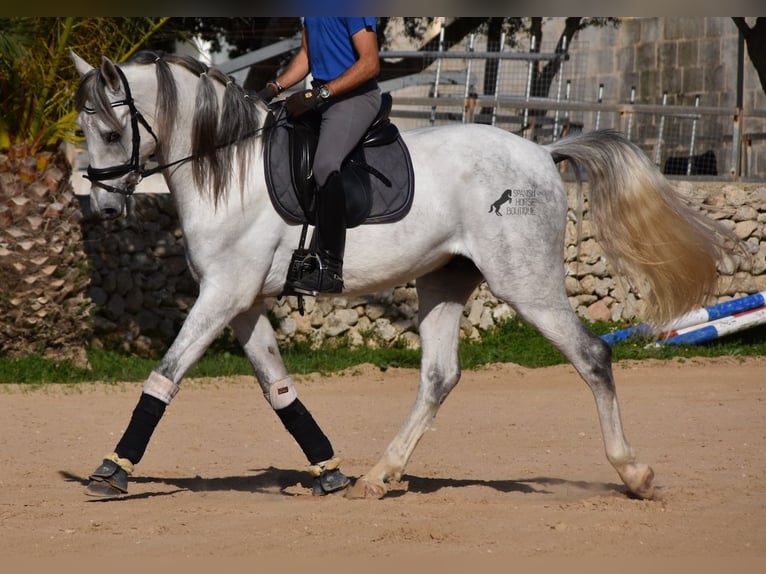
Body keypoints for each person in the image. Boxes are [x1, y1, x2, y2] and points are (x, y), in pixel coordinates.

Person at [258, 17, 382, 295]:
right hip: (323, 95)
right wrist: (272, 89)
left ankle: (329, 268)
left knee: (325, 165)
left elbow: (370, 63)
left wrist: (318, 95)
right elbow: (306, 55)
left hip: (355, 97)